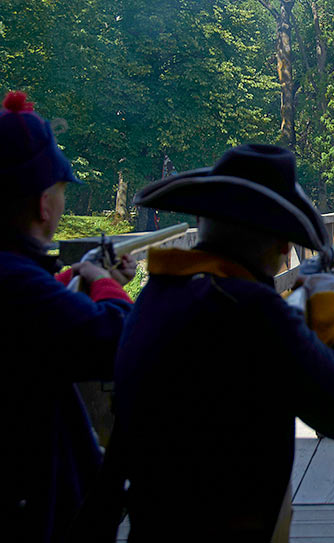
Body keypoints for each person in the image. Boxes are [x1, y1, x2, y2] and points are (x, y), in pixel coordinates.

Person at [110, 144, 334, 541]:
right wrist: (330, 301)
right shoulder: (252, 311)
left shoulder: (156, 298)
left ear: (201, 219)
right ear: (283, 245)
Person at [0, 91, 135, 543]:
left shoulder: (20, 280)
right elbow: (121, 340)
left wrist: (75, 279)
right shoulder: (17, 283)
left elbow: (38, 320)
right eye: (61, 191)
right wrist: (105, 283)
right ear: (44, 203)